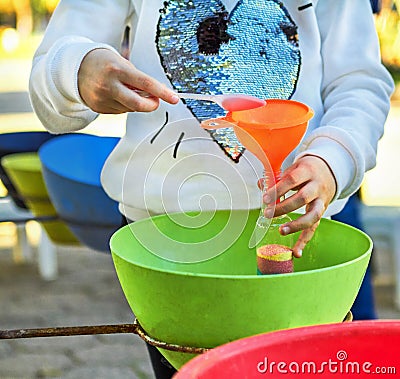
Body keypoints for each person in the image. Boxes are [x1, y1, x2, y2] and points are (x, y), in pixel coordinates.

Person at [29, 1, 394, 378]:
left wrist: (333, 160)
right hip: (169, 239)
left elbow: (358, 81)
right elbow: (52, 70)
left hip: (299, 233)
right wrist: (78, 69)